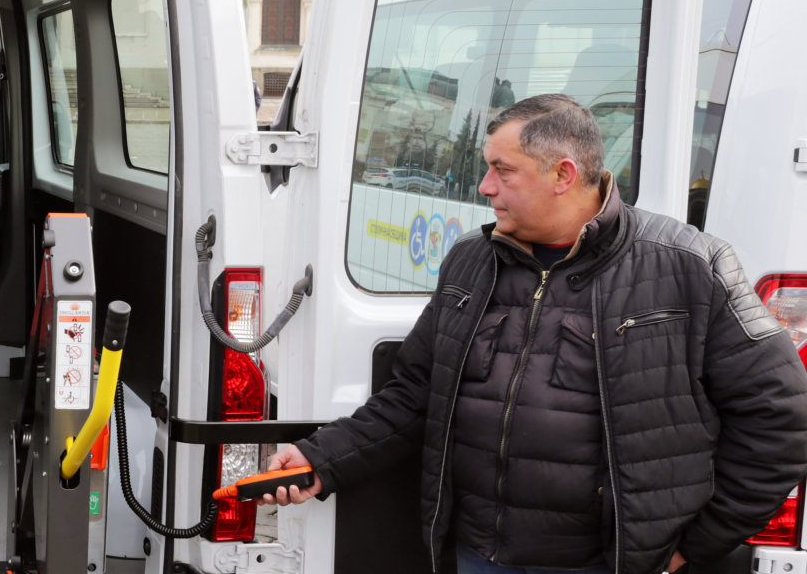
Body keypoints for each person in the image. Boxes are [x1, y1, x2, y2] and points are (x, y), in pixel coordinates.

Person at [261, 94, 807, 574]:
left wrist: (699, 543)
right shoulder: (471, 262)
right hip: (481, 554)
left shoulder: (689, 266)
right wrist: (321, 458)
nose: (484, 186)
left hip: (611, 564)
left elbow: (782, 418)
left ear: (563, 175)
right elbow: (414, 394)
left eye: (503, 170)